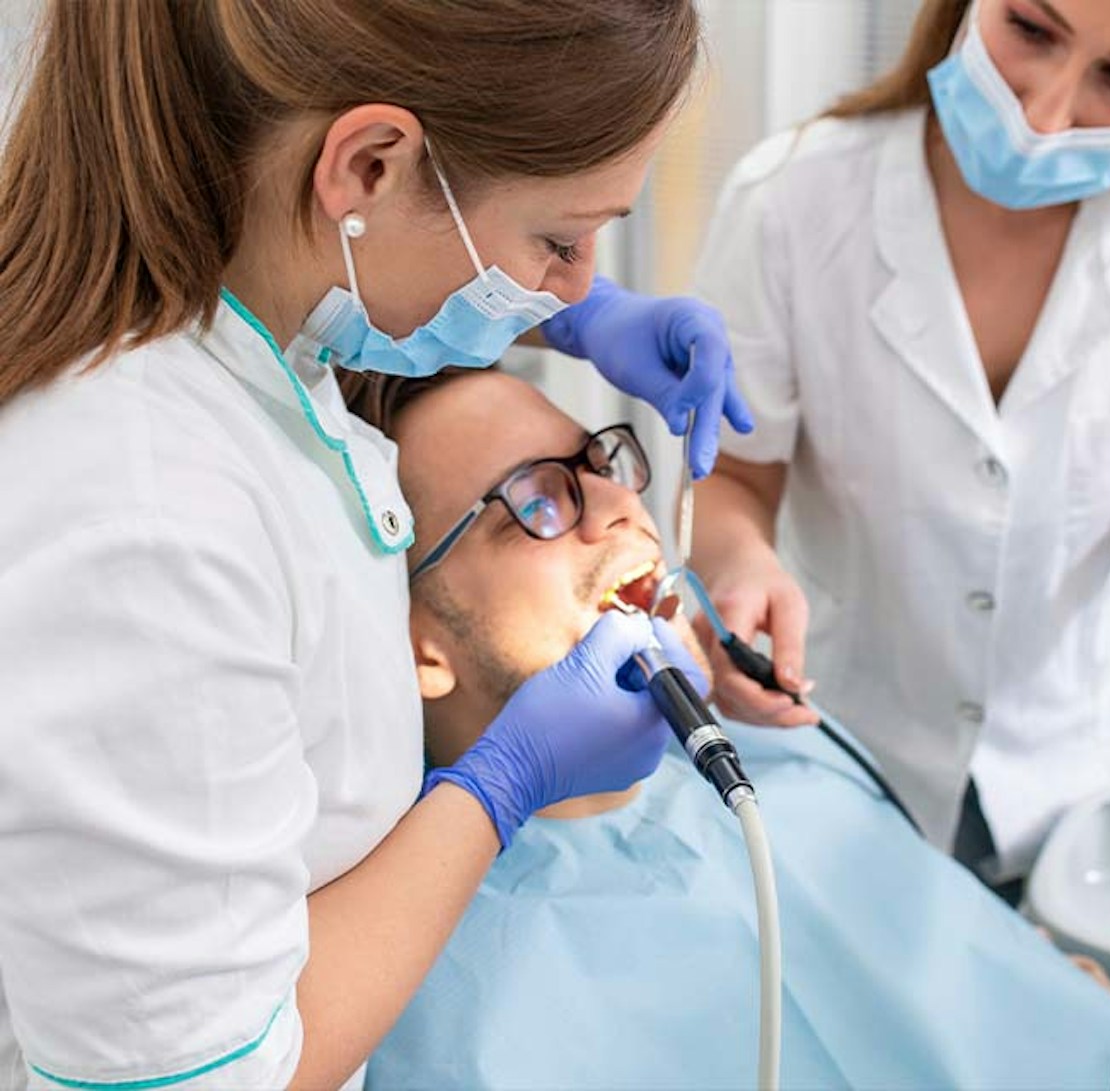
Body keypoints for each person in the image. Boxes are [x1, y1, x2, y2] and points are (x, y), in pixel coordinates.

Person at [0, 3, 753, 1087]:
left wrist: (559, 311)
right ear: (368, 165)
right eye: (559, 240)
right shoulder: (142, 519)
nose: (583, 281)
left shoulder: (237, 300)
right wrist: (501, 782)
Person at [341, 366, 1110, 1091]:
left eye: (600, 463)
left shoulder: (779, 756)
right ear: (416, 644)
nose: (622, 506)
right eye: (537, 502)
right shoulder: (434, 1004)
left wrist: (1047, 1002)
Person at [690, 0, 1110, 898]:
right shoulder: (793, 199)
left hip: (1071, 793)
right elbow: (733, 476)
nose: (1043, 114)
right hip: (838, 751)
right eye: (1031, 30)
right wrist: (743, 566)